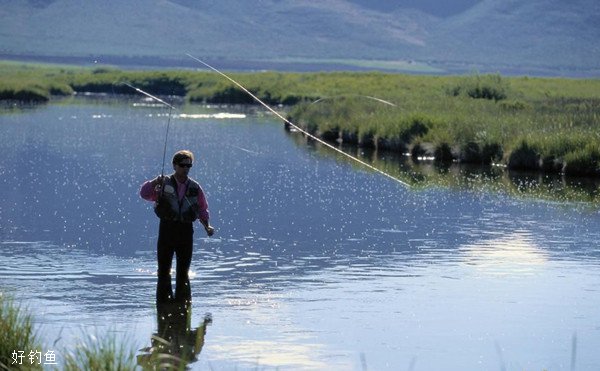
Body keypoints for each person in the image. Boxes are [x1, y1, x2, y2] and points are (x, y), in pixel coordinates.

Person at [140, 150, 214, 304]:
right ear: (174, 165)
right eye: (183, 165)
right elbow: (144, 194)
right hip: (167, 230)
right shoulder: (163, 183)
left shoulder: (195, 187)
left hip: (186, 232)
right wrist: (154, 182)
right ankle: (164, 309)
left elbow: (202, 208)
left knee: (183, 273)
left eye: (189, 165)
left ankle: (183, 308)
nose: (186, 168)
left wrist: (207, 226)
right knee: (163, 272)